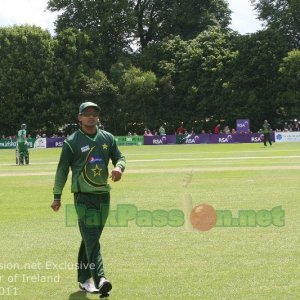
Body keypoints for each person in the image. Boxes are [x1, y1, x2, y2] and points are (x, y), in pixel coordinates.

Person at [51, 102, 126, 297]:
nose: (91, 117)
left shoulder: (107, 138)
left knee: (90, 239)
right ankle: (101, 278)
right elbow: (62, 170)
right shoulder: (71, 142)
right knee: (92, 238)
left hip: (103, 196)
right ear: (80, 118)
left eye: (94, 113)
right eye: (87, 114)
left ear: (98, 117)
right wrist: (56, 196)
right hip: (83, 197)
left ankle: (84, 280)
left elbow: (120, 157)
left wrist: (119, 167)